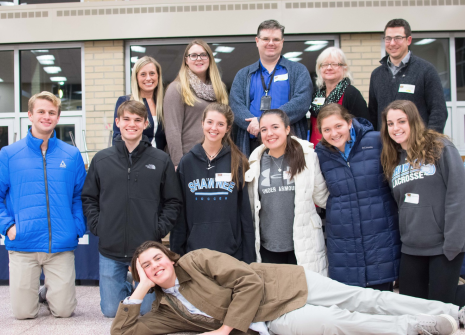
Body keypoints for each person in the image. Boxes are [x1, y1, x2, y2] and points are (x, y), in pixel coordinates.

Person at [111, 241, 465, 335]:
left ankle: (450, 311)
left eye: (157, 258)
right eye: (146, 266)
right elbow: (123, 333)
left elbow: (248, 280)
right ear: (141, 275)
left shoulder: (197, 259)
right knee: (338, 323)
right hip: (272, 317)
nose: (155, 265)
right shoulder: (164, 310)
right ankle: (417, 328)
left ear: (169, 258)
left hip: (283, 282)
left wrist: (223, 329)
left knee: (363, 297)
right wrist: (139, 291)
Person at [82, 100, 183, 318]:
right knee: (110, 311)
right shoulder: (102, 159)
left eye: (138, 120)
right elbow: (89, 197)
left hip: (145, 250)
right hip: (111, 248)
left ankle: (138, 281)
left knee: (146, 311)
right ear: (117, 122)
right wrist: (99, 226)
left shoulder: (160, 159)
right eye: (126, 119)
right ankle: (129, 281)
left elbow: (173, 201)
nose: (132, 124)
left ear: (146, 124)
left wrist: (157, 229)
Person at [0, 91, 86, 319]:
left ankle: (46, 293)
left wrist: (76, 228)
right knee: (24, 314)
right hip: (23, 244)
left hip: (60, 245)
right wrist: (8, 227)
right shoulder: (9, 155)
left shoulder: (71, 155)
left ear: (58, 117)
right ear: (30, 115)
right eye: (41, 112)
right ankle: (39, 293)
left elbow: (80, 197)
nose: (46, 116)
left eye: (52, 112)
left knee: (64, 311)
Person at [381, 99, 465, 307]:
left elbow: (458, 194)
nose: (395, 128)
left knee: (441, 311)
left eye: (401, 121)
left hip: (444, 247)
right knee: (413, 311)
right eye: (390, 123)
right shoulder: (392, 157)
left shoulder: (440, 147)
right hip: (411, 248)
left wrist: (453, 243)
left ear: (414, 120)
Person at [314, 103, 401, 290]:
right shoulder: (320, 154)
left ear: (349, 122)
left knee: (383, 296)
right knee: (353, 302)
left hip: (380, 232)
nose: (334, 133)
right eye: (327, 129)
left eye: (338, 126)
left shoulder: (377, 141)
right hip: (344, 236)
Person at [169, 103, 255, 263]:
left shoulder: (237, 161)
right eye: (210, 122)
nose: (214, 128)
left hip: (231, 253)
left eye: (220, 124)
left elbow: (244, 212)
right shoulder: (187, 162)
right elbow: (179, 212)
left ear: (228, 128)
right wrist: (176, 253)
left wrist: (249, 257)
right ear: (202, 123)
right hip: (195, 253)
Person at [245, 109, 329, 272]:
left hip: (303, 247)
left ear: (287, 129)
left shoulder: (308, 156)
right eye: (264, 129)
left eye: (275, 127)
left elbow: (323, 198)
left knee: (304, 295)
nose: (270, 133)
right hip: (268, 248)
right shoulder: (254, 162)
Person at [230, 19, 313, 157]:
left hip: (289, 143)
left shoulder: (298, 71)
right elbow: (235, 105)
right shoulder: (243, 75)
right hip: (252, 143)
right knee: (253, 179)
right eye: (266, 39)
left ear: (282, 42)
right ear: (257, 41)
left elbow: (302, 102)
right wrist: (256, 126)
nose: (271, 43)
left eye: (276, 39)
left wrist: (263, 122)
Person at [369, 18, 448, 133]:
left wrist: (429, 142)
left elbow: (439, 111)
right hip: (386, 147)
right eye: (388, 38)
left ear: (408, 40)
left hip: (417, 145)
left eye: (398, 38)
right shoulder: (376, 74)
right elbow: (373, 114)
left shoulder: (426, 70)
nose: (392, 43)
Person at [164, 39, 229, 168]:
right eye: (193, 55)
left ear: (209, 58)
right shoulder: (177, 88)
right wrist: (178, 163)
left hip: (217, 158)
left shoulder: (219, 88)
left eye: (203, 55)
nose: (199, 59)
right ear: (186, 60)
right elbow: (172, 130)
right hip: (189, 159)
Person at [309, 47, 369, 147]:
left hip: (341, 154)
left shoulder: (351, 93)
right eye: (324, 64)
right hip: (316, 152)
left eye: (334, 64)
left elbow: (364, 126)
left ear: (344, 68)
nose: (329, 68)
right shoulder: (316, 93)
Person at [112, 56, 166, 151]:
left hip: (160, 161)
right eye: (143, 74)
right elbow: (117, 137)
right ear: (136, 78)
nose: (148, 78)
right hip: (135, 160)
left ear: (158, 76)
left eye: (152, 73)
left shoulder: (164, 103)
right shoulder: (125, 102)